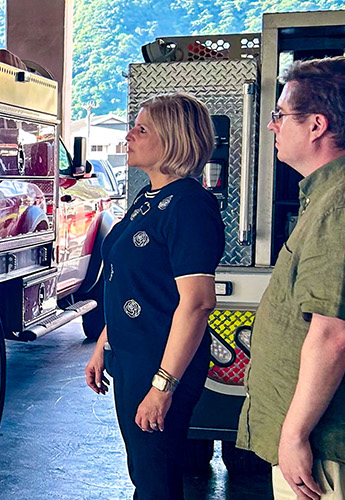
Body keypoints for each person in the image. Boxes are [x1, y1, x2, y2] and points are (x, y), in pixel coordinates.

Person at [235, 57, 345, 500]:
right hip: (325, 442)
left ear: (316, 125)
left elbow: (336, 333)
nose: (272, 126)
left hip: (330, 450)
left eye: (280, 115)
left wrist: (295, 433)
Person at [83, 93, 223, 500]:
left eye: (141, 129)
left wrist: (163, 387)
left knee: (156, 479)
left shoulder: (189, 206)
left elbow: (197, 303)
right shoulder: (149, 199)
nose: (129, 135)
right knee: (144, 472)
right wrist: (104, 344)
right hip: (132, 356)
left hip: (161, 361)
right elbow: (132, 282)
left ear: (173, 140)